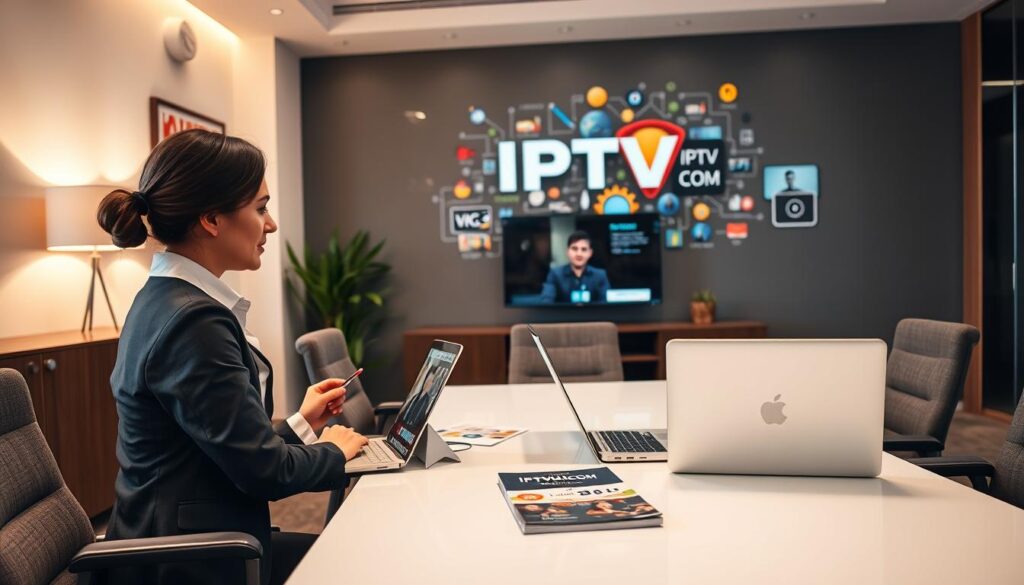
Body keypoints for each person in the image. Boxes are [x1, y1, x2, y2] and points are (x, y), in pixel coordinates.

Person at [96, 129, 369, 585]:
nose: (271, 224)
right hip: (184, 562)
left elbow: (223, 445)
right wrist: (335, 453)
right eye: (260, 208)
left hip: (193, 539)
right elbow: (264, 473)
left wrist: (301, 423)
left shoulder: (166, 298)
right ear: (211, 219)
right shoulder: (193, 322)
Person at [539, 230, 610, 304]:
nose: (579, 254)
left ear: (590, 253)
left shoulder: (600, 275)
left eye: (584, 249)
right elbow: (546, 302)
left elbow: (606, 305)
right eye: (574, 249)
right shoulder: (555, 274)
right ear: (568, 251)